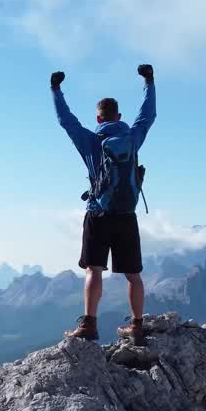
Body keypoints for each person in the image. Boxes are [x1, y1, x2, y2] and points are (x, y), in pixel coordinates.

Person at [50, 64, 156, 345]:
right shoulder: (132, 138)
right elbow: (148, 116)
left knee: (93, 269)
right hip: (126, 215)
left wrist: (56, 90)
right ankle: (136, 326)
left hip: (97, 214)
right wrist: (149, 82)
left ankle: (89, 325)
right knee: (133, 275)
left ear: (98, 118)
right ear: (119, 117)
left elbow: (66, 120)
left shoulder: (91, 142)